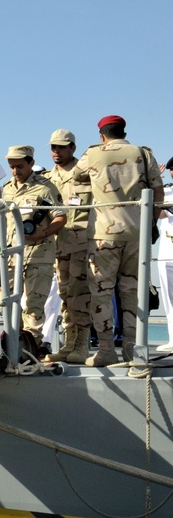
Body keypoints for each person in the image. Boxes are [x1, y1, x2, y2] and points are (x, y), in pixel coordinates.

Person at [74, 116, 163, 366]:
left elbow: (77, 176)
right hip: (137, 234)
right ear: (124, 131)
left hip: (104, 234)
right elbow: (158, 191)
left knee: (101, 293)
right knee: (133, 293)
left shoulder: (92, 154)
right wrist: (152, 222)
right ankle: (133, 352)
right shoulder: (143, 154)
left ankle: (105, 351)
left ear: (101, 135)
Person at [2, 145, 66, 354]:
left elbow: (60, 217)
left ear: (30, 163)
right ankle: (14, 345)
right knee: (10, 303)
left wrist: (43, 233)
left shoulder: (46, 188)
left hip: (39, 254)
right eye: (11, 167)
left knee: (34, 305)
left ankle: (32, 348)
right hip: (12, 255)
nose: (15, 171)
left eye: (19, 166)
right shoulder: (7, 189)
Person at [41, 130, 93, 363]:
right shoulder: (46, 179)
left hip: (82, 242)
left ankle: (82, 344)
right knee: (64, 294)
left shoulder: (85, 174)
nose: (56, 151)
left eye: (62, 147)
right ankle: (70, 342)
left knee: (80, 293)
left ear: (72, 148)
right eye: (53, 147)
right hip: (57, 244)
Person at [157, 156, 173, 353]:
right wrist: (157, 182)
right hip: (167, 253)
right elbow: (158, 213)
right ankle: (172, 338)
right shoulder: (167, 191)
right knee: (169, 299)